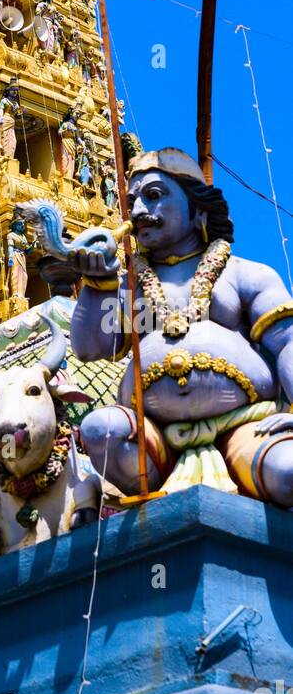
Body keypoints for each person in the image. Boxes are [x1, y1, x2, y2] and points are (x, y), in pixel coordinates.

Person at [69, 148, 293, 504]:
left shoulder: (243, 274)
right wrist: (97, 283)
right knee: (100, 430)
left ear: (197, 210)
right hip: (155, 437)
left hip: (244, 427)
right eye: (133, 201)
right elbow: (89, 347)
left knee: (288, 471)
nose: (140, 212)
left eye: (154, 196)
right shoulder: (131, 287)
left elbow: (287, 344)